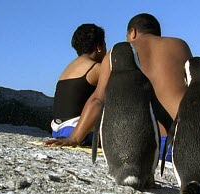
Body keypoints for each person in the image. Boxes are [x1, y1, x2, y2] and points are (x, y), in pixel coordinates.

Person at [44, 13, 191, 149]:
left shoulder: (118, 52)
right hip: (186, 140)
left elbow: (97, 100)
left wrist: (75, 139)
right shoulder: (180, 46)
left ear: (132, 32)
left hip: (146, 147)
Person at [50, 23, 106, 144]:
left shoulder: (70, 67)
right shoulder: (96, 68)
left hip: (57, 130)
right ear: (99, 47)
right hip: (77, 131)